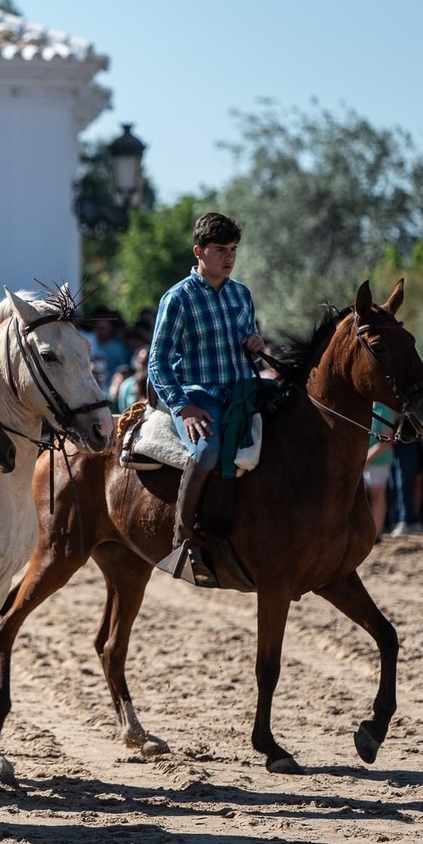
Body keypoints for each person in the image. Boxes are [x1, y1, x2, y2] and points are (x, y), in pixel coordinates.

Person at [146, 212, 264, 588]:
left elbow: (253, 350)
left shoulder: (241, 294)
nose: (229, 257)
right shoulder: (177, 298)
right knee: (209, 449)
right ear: (199, 251)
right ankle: (183, 539)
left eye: (232, 250)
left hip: (242, 392)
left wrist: (255, 346)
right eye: (220, 250)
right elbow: (157, 361)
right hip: (198, 396)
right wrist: (183, 406)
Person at [363, 402, 396, 542]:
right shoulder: (366, 407)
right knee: (363, 497)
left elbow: (386, 440)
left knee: (377, 495)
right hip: (364, 460)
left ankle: (376, 533)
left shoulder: (385, 411)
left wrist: (367, 458)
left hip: (378, 460)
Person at [116, 346, 149, 414]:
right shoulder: (126, 385)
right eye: (142, 362)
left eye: (147, 362)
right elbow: (123, 409)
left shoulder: (156, 385)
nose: (144, 366)